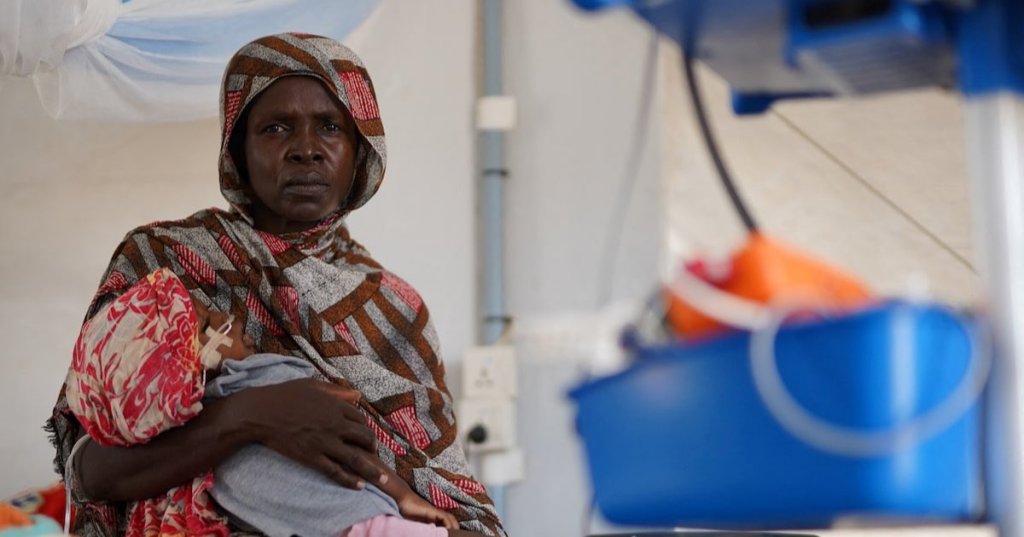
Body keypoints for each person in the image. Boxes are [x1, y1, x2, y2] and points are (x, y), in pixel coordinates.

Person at [47, 33, 504, 537]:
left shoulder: (395, 311)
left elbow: (447, 496)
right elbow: (91, 471)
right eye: (275, 128)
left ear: (361, 151)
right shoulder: (164, 266)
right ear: (237, 150)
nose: (305, 150)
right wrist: (251, 416)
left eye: (330, 127)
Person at [66, 268, 459, 537]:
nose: (230, 320)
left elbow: (346, 440)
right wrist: (250, 414)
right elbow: (92, 469)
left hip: (362, 518)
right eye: (207, 325)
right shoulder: (154, 262)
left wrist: (403, 495)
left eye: (332, 136)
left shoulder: (396, 303)